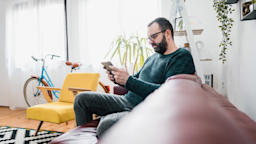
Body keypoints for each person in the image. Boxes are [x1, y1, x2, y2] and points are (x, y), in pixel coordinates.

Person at [73, 17, 195, 138]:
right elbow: (135, 79)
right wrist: (118, 79)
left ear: (167, 33)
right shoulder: (153, 57)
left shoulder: (181, 57)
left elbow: (167, 92)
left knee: (105, 126)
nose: (151, 41)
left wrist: (129, 81)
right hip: (126, 101)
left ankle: (112, 116)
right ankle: (83, 139)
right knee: (81, 99)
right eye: (149, 38)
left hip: (143, 109)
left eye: (154, 36)